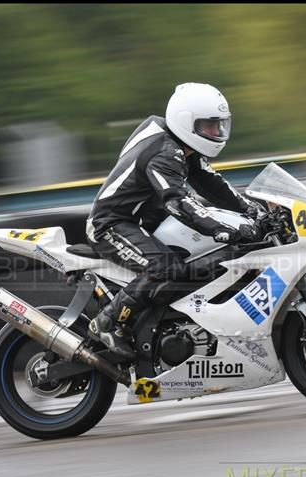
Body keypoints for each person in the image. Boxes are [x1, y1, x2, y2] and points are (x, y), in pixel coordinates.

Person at [85, 82, 264, 357]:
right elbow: (178, 201)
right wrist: (221, 228)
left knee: (198, 261)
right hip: (111, 224)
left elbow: (213, 185)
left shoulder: (180, 146)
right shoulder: (165, 152)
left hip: (143, 223)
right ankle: (108, 322)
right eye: (209, 126)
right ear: (185, 123)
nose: (217, 133)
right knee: (165, 266)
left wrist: (254, 211)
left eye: (220, 125)